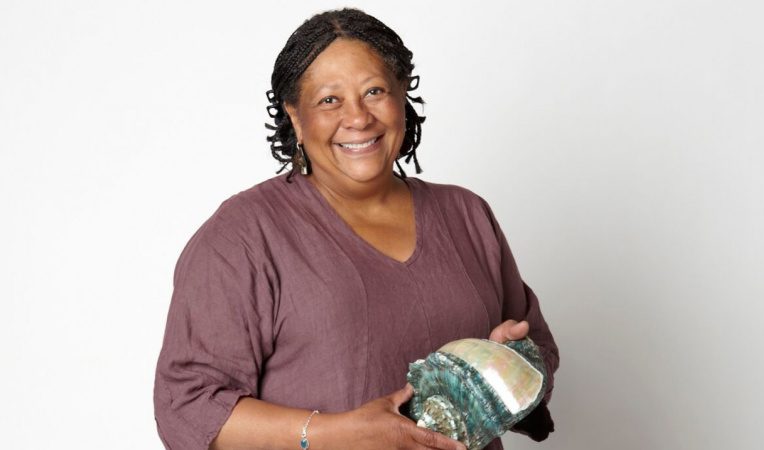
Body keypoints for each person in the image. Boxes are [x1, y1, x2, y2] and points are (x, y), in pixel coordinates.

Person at [154, 8, 559, 450]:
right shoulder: (243, 238)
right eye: (330, 100)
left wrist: (505, 364)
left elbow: (536, 348)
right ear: (295, 116)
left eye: (374, 91)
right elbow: (188, 407)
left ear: (402, 94)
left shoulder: (466, 214)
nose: (358, 117)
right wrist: (336, 434)